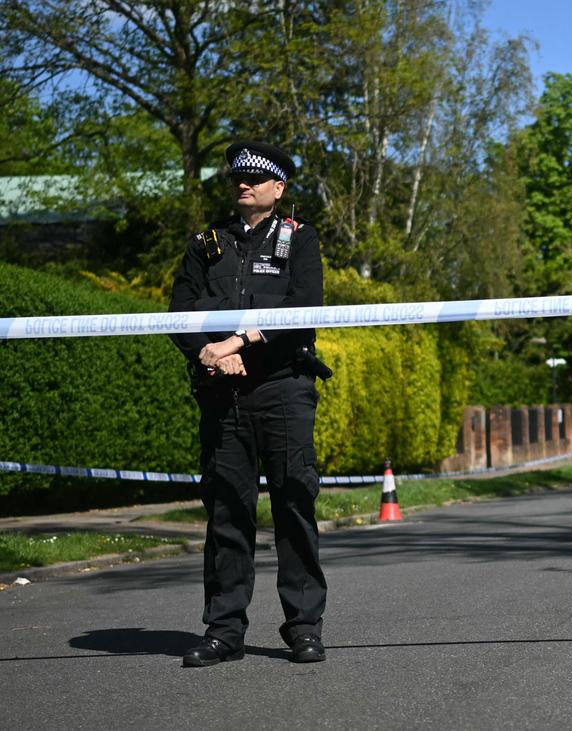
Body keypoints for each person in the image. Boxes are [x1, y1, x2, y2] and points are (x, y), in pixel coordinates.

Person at [168, 140, 329, 667]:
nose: (243, 184)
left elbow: (302, 311)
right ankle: (224, 630)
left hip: (283, 388)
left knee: (293, 507)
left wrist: (238, 343)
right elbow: (180, 311)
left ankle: (304, 626)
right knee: (227, 513)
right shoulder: (205, 244)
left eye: (255, 179)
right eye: (238, 177)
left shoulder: (299, 239)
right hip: (223, 392)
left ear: (277, 189)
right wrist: (211, 354)